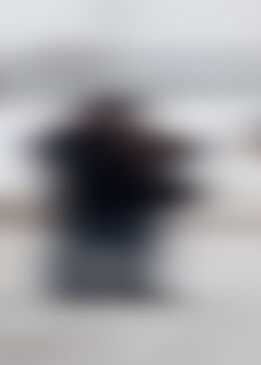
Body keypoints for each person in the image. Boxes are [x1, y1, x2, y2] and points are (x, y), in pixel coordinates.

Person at [40, 94, 191, 299]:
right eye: (110, 116)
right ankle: (74, 285)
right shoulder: (77, 141)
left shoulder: (138, 142)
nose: (116, 120)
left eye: (120, 116)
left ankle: (129, 284)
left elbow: (171, 157)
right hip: (87, 207)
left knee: (133, 250)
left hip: (129, 207)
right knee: (79, 250)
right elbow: (54, 152)